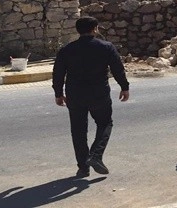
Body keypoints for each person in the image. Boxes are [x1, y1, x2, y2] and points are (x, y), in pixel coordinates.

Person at [52, 16, 130, 178]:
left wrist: (58, 93)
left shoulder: (67, 49)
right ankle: (95, 155)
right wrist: (124, 87)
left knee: (78, 131)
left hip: (75, 95)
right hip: (99, 93)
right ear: (95, 29)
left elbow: (58, 73)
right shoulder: (106, 47)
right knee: (105, 123)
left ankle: (83, 168)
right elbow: (117, 69)